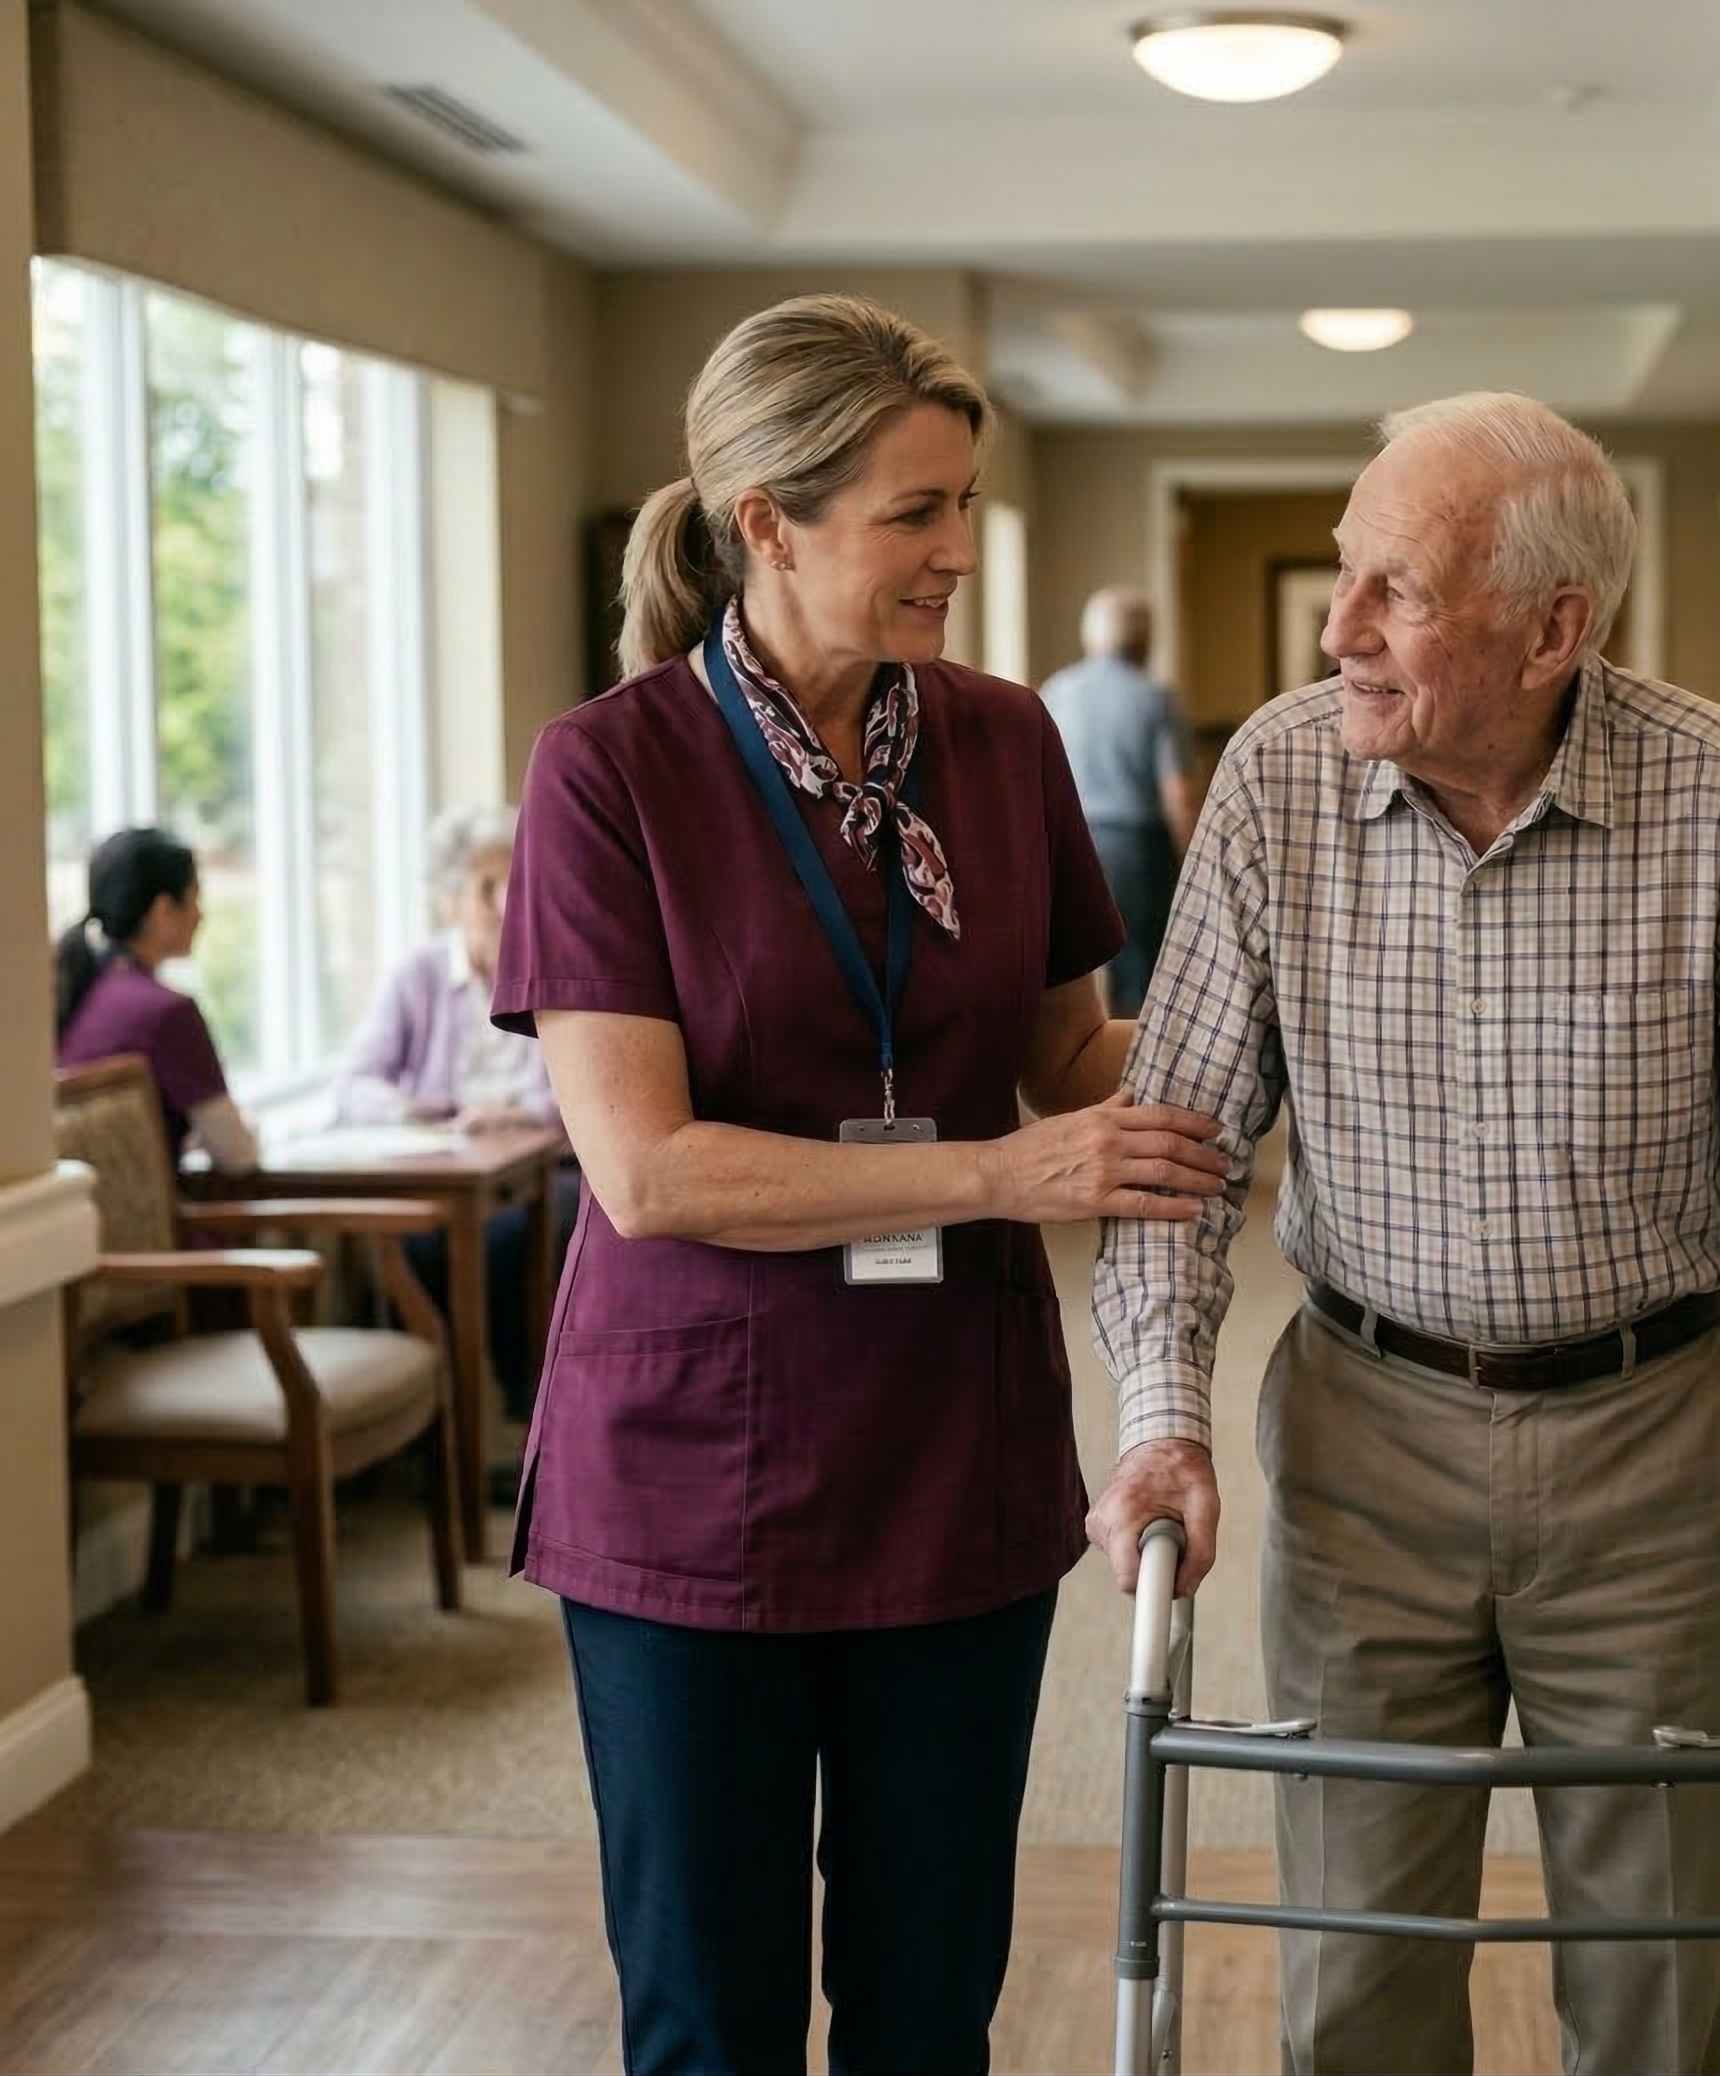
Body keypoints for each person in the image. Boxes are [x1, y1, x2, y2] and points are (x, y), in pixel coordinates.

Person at [1086, 392, 1720, 2076]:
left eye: (1391, 590)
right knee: (1350, 1973)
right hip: (1359, 1434)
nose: (1337, 631)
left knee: (1651, 1974)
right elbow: (1172, 1157)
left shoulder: (1717, 805)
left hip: (1654, 1447)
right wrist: (1159, 1416)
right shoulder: (1271, 787)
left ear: (1555, 628)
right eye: (1344, 578)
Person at [489, 292, 1227, 2076]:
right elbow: (645, 1168)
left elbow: (1069, 1058)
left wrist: (1291, 1033)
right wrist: (995, 1171)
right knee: (712, 2020)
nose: (958, 552)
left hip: (947, 1454)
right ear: (767, 521)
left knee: (925, 2005)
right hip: (690, 1483)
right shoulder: (610, 774)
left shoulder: (998, 742)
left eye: (962, 506)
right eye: (915, 513)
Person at [335, 802, 569, 1427]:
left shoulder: (557, 967)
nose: (501, 902)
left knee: (529, 1233)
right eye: (483, 886)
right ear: (449, 899)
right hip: (449, 1169)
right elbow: (355, 1085)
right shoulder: (417, 975)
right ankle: (449, 1423)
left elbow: (588, 1094)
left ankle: (526, 1415)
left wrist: (519, 1114)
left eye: (512, 882)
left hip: (546, 1162)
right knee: (426, 1241)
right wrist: (423, 1111)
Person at [54, 825, 259, 1174]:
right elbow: (236, 1154)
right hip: (176, 1225)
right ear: (163, 910)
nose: (201, 914)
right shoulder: (165, 1013)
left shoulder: (77, 994)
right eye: (194, 897)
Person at [1039, 586, 1196, 1014]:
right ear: (1145, 639)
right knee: (1140, 966)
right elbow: (1176, 790)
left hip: (1071, 843)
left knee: (1076, 970)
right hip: (1137, 848)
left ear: (1092, 636)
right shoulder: (1154, 697)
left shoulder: (1057, 691)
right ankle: (1139, 1070)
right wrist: (1193, 860)